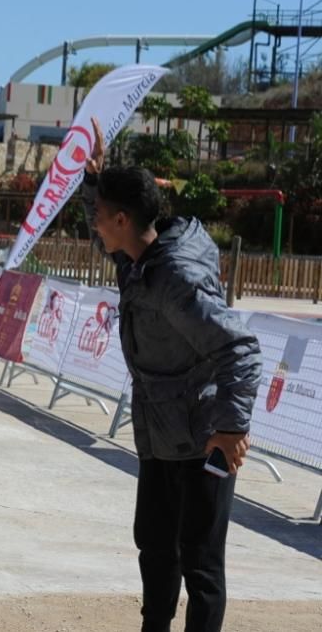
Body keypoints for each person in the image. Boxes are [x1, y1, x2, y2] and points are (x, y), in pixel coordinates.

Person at [80, 117, 261, 632]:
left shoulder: (174, 279)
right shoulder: (138, 260)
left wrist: (230, 428)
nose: (93, 223)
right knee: (156, 550)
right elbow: (103, 242)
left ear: (120, 219)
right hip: (160, 436)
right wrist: (95, 179)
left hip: (204, 441)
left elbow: (240, 348)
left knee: (201, 566)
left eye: (97, 213)